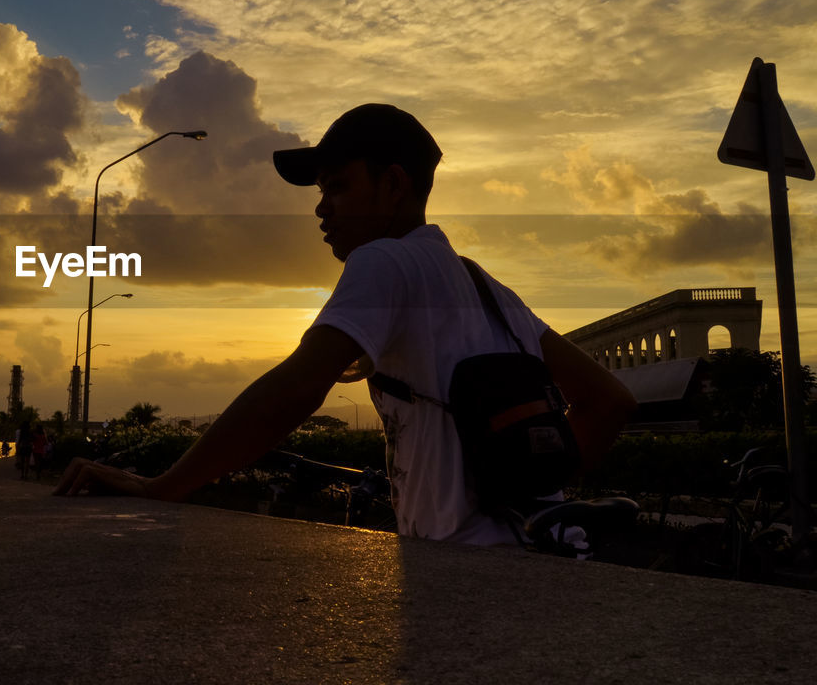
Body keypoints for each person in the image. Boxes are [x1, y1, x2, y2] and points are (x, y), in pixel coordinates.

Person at [56, 103, 638, 546]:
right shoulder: (482, 284)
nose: (321, 206)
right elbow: (608, 401)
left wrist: (161, 487)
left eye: (337, 186)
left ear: (392, 185)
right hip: (530, 559)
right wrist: (531, 495)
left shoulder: (382, 260)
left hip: (458, 575)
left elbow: (293, 391)